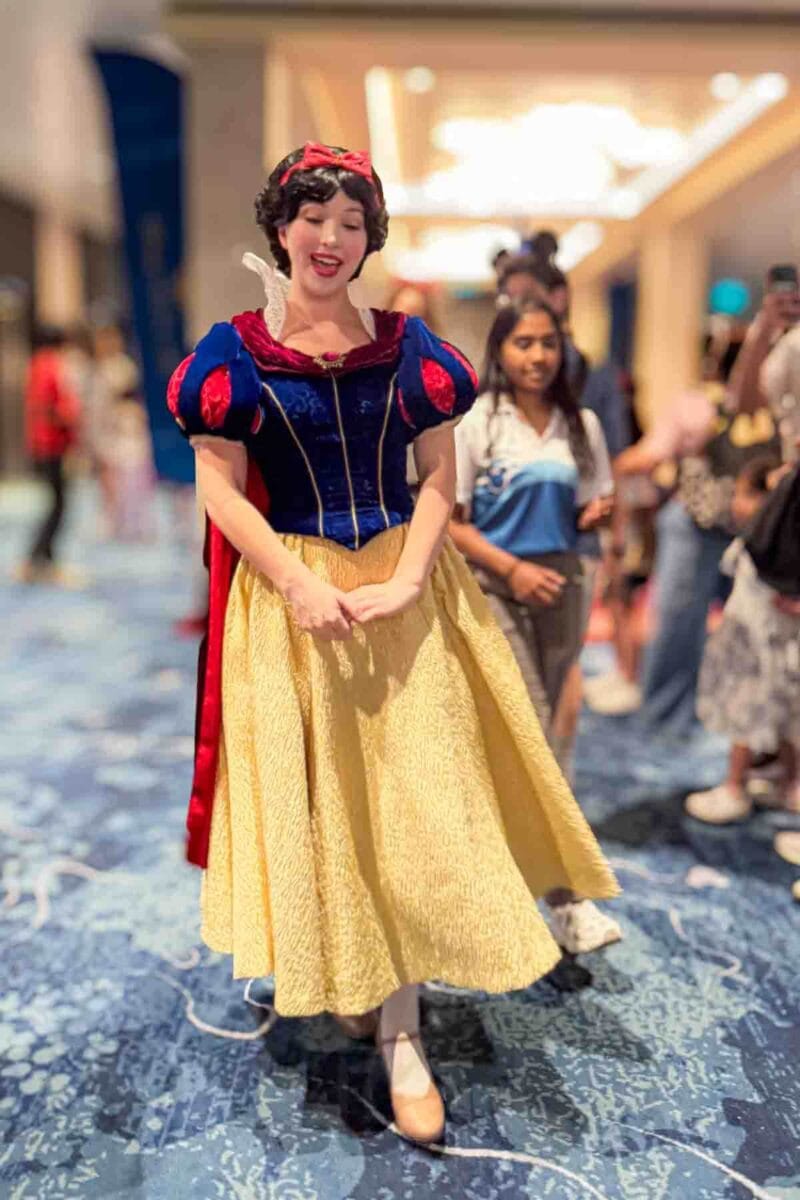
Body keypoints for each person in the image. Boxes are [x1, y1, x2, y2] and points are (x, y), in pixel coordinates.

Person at [166, 143, 619, 1146]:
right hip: (292, 597)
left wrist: (410, 578)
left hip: (408, 594)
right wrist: (295, 584)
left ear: (369, 239)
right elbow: (217, 489)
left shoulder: (413, 349)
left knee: (419, 800)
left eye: (350, 223)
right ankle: (351, 970)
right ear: (279, 227)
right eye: (312, 218)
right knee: (329, 801)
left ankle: (403, 1031)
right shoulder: (228, 355)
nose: (330, 239)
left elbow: (437, 478)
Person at [449, 295, 621, 955]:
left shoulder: (581, 424)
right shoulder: (479, 422)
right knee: (531, 735)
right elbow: (452, 523)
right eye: (523, 342)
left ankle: (532, 885)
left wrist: (593, 516)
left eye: (549, 343)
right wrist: (512, 570)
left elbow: (591, 504)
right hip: (496, 589)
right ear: (501, 349)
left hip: (563, 587)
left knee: (547, 738)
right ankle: (561, 898)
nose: (539, 356)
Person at [615, 324, 783, 738]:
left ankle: (701, 718)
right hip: (698, 529)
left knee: (729, 631)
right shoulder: (706, 405)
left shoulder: (766, 409)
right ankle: (666, 718)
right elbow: (654, 454)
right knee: (683, 628)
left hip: (742, 535)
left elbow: (651, 455)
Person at [685, 456, 800, 823]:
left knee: (751, 699)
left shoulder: (772, 530)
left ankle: (734, 786)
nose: (737, 504)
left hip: (765, 624)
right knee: (786, 701)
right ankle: (791, 782)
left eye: (745, 496)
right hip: (767, 615)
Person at [16, 325, 81, 585]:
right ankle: (37, 558)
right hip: (53, 443)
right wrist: (70, 425)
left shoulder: (36, 365)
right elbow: (53, 406)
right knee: (58, 504)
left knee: (56, 503)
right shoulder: (50, 366)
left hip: (44, 442)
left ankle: (45, 558)